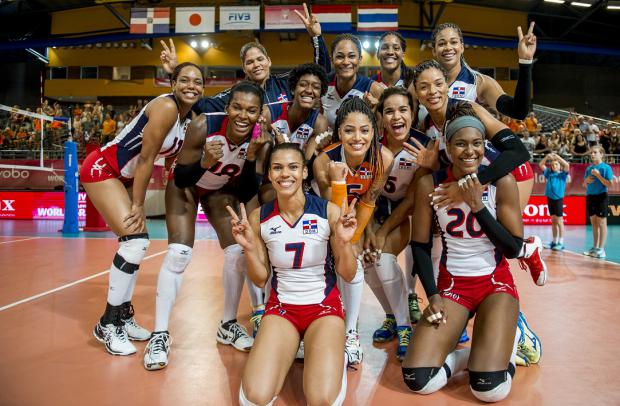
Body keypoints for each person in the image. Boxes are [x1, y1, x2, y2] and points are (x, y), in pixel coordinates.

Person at [407, 60, 544, 364]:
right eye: (424, 86)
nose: (432, 91)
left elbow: (519, 153)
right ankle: (466, 316)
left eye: (438, 84)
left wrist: (471, 183)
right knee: (455, 241)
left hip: (508, 176)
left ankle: (515, 323)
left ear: (448, 85)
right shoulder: (426, 123)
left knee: (497, 243)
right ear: (416, 92)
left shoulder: (467, 108)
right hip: (471, 181)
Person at [143, 81, 270, 370]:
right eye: (237, 107)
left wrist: (251, 157)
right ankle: (159, 334)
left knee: (238, 252)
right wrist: (204, 162)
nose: (243, 115)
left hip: (219, 189)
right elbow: (183, 177)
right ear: (227, 108)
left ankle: (227, 324)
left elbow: (249, 189)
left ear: (259, 113)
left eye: (251, 110)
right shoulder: (203, 125)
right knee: (178, 254)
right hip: (186, 186)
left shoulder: (261, 137)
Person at [80, 62, 204, 356]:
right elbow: (147, 158)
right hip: (103, 168)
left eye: (197, 81)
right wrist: (138, 204)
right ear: (172, 84)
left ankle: (122, 314)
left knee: (136, 244)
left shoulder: (189, 118)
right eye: (183, 80)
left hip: (121, 174)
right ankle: (108, 325)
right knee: (135, 242)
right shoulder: (166, 109)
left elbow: (166, 160)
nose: (191, 86)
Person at [403, 111, 524, 403]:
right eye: (460, 144)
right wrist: (431, 295)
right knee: (417, 380)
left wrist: (477, 207)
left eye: (477, 143)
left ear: (485, 145)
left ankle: (509, 339)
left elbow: (513, 248)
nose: (470, 151)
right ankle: (462, 358)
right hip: (453, 286)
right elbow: (419, 245)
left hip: (495, 284)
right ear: (446, 145)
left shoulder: (501, 182)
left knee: (489, 389)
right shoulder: (429, 184)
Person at [229, 143, 358, 406]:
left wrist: (345, 243)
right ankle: (292, 351)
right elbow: (260, 278)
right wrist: (250, 249)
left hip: (324, 309)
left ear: (304, 173)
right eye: (277, 168)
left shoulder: (328, 211)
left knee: (321, 400)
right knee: (254, 399)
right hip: (281, 309)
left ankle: (339, 354)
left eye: (292, 167)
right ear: (269, 174)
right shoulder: (259, 217)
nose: (284, 174)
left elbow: (348, 273)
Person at [420, 21, 537, 208]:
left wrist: (525, 62)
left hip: (489, 170)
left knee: (499, 233)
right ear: (433, 50)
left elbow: (518, 111)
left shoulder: (479, 82)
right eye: (442, 43)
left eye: (453, 42)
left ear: (462, 46)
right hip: (450, 169)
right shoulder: (420, 85)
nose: (448, 47)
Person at [312, 97, 394, 365]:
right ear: (339, 132)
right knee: (334, 263)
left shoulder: (384, 157)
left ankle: (351, 333)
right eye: (349, 130)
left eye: (364, 130)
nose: (357, 137)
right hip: (321, 217)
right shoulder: (324, 161)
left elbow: (370, 198)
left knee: (354, 263)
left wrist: (356, 238)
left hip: (354, 215)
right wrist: (338, 183)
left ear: (374, 131)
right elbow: (333, 212)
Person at [161, 4, 330, 113]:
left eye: (260, 59)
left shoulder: (287, 82)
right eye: (249, 62)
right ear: (244, 68)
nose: (256, 65)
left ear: (269, 61)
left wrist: (316, 37)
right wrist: (175, 73)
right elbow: (200, 105)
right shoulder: (236, 94)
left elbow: (321, 73)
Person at [363, 87, 430, 360]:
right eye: (389, 111)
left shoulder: (422, 146)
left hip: (408, 211)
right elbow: (363, 194)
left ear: (413, 114)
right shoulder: (369, 144)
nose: (396, 116)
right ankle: (392, 315)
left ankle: (405, 327)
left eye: (403, 109)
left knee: (383, 258)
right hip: (374, 209)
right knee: (365, 260)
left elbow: (412, 201)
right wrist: (368, 231)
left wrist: (382, 232)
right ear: (380, 116)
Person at [263, 63, 331, 161]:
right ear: (293, 89)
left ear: (321, 94)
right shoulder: (269, 113)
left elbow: (307, 162)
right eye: (303, 85)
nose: (309, 90)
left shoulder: (319, 123)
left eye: (316, 87)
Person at [320, 33, 385, 127]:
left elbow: (380, 132)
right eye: (340, 56)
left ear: (360, 59)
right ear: (332, 60)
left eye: (351, 56)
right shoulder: (323, 85)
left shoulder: (374, 89)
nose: (346, 62)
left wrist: (374, 114)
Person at [583, 146, 613, 259]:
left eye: (595, 152)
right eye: (591, 153)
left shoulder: (606, 168)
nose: (592, 155)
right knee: (594, 223)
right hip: (590, 196)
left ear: (601, 154)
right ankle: (595, 247)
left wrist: (598, 175)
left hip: (601, 197)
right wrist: (586, 181)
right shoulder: (588, 169)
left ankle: (601, 249)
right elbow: (584, 184)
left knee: (601, 223)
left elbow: (609, 184)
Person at [539, 153, 570, 251]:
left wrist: (558, 158)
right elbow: (541, 165)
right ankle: (554, 241)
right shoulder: (549, 174)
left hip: (558, 200)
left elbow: (567, 165)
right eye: (552, 165)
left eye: (556, 164)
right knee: (553, 221)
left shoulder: (562, 175)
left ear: (560, 166)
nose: (554, 166)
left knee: (559, 221)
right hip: (550, 199)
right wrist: (547, 157)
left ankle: (561, 242)